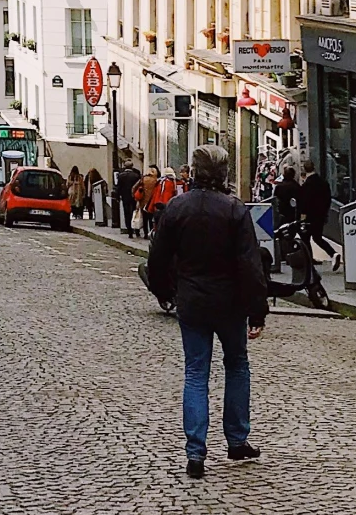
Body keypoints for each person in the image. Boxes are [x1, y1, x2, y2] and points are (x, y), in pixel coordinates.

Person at [145, 142, 268, 479]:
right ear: (224, 173)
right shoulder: (234, 210)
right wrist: (257, 311)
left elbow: (157, 258)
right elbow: (250, 265)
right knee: (237, 366)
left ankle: (196, 453)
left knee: (196, 373)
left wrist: (167, 292)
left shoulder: (176, 207)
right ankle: (237, 439)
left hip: (193, 301)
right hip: (230, 303)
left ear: (195, 171)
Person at [298, 160, 331, 257]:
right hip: (321, 214)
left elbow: (304, 203)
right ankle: (332, 253)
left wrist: (302, 217)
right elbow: (328, 199)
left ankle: (309, 260)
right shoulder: (323, 183)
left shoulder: (306, 185)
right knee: (317, 237)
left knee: (305, 238)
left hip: (310, 217)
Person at [114, 156, 141, 235]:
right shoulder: (136, 175)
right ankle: (136, 229)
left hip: (125, 197)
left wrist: (117, 196)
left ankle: (129, 230)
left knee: (127, 213)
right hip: (134, 197)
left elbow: (118, 187)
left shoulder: (121, 176)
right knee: (135, 213)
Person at [138, 164, 162, 239]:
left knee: (145, 219)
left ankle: (145, 234)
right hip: (152, 201)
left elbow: (134, 188)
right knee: (152, 219)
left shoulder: (143, 179)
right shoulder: (156, 180)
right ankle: (151, 233)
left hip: (143, 201)